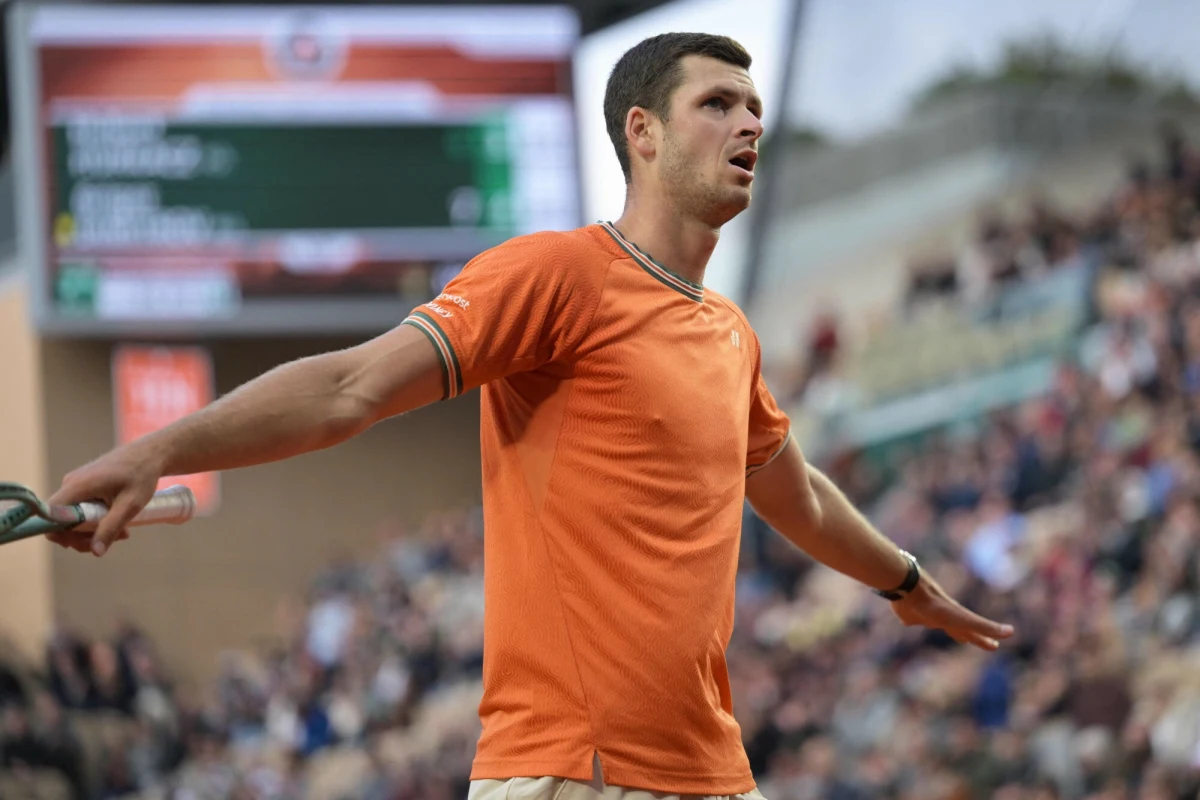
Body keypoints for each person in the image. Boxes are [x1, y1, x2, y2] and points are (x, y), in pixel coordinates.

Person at [47, 33, 1014, 800]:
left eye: (754, 106)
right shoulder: (557, 275)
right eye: (717, 103)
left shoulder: (730, 332)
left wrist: (903, 580)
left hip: (712, 772)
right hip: (571, 775)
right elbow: (352, 388)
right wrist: (160, 448)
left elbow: (792, 490)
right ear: (643, 131)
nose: (747, 121)